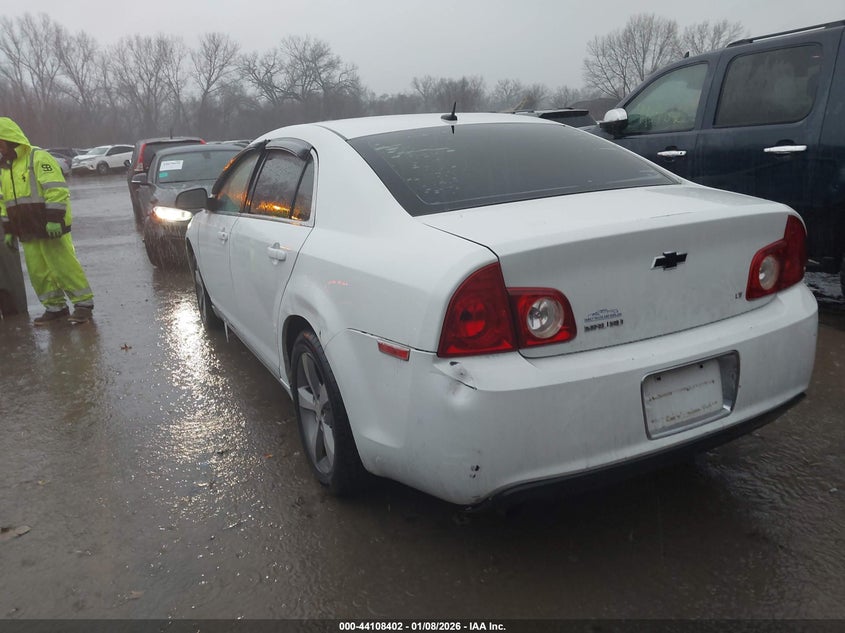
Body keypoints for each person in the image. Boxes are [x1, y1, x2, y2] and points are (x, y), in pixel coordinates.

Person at [0, 117, 94, 325]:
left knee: (63, 266)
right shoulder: (5, 167)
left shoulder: (37, 157)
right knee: (38, 272)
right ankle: (55, 308)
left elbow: (56, 189)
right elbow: (3, 200)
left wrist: (54, 219)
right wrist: (9, 229)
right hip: (26, 229)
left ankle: (83, 305)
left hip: (50, 226)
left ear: (8, 138)